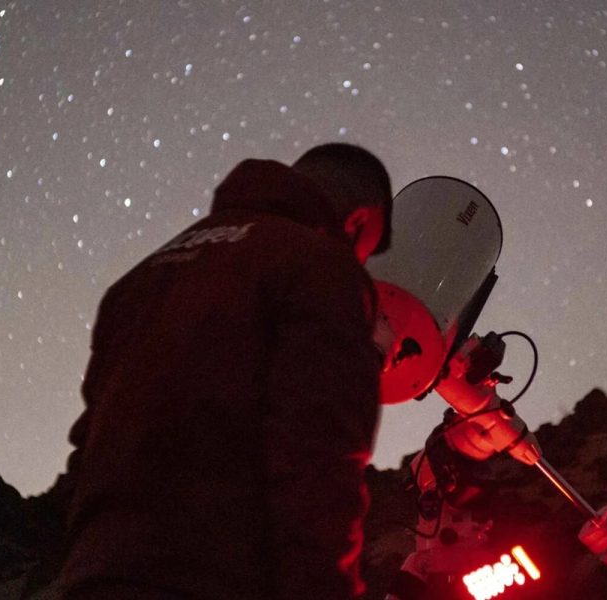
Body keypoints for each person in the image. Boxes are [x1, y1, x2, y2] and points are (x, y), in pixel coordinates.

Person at [60, 143, 393, 599]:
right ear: (357, 223)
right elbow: (318, 455)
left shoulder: (136, 281)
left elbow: (88, 450)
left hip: (95, 576)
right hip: (217, 577)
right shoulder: (319, 263)